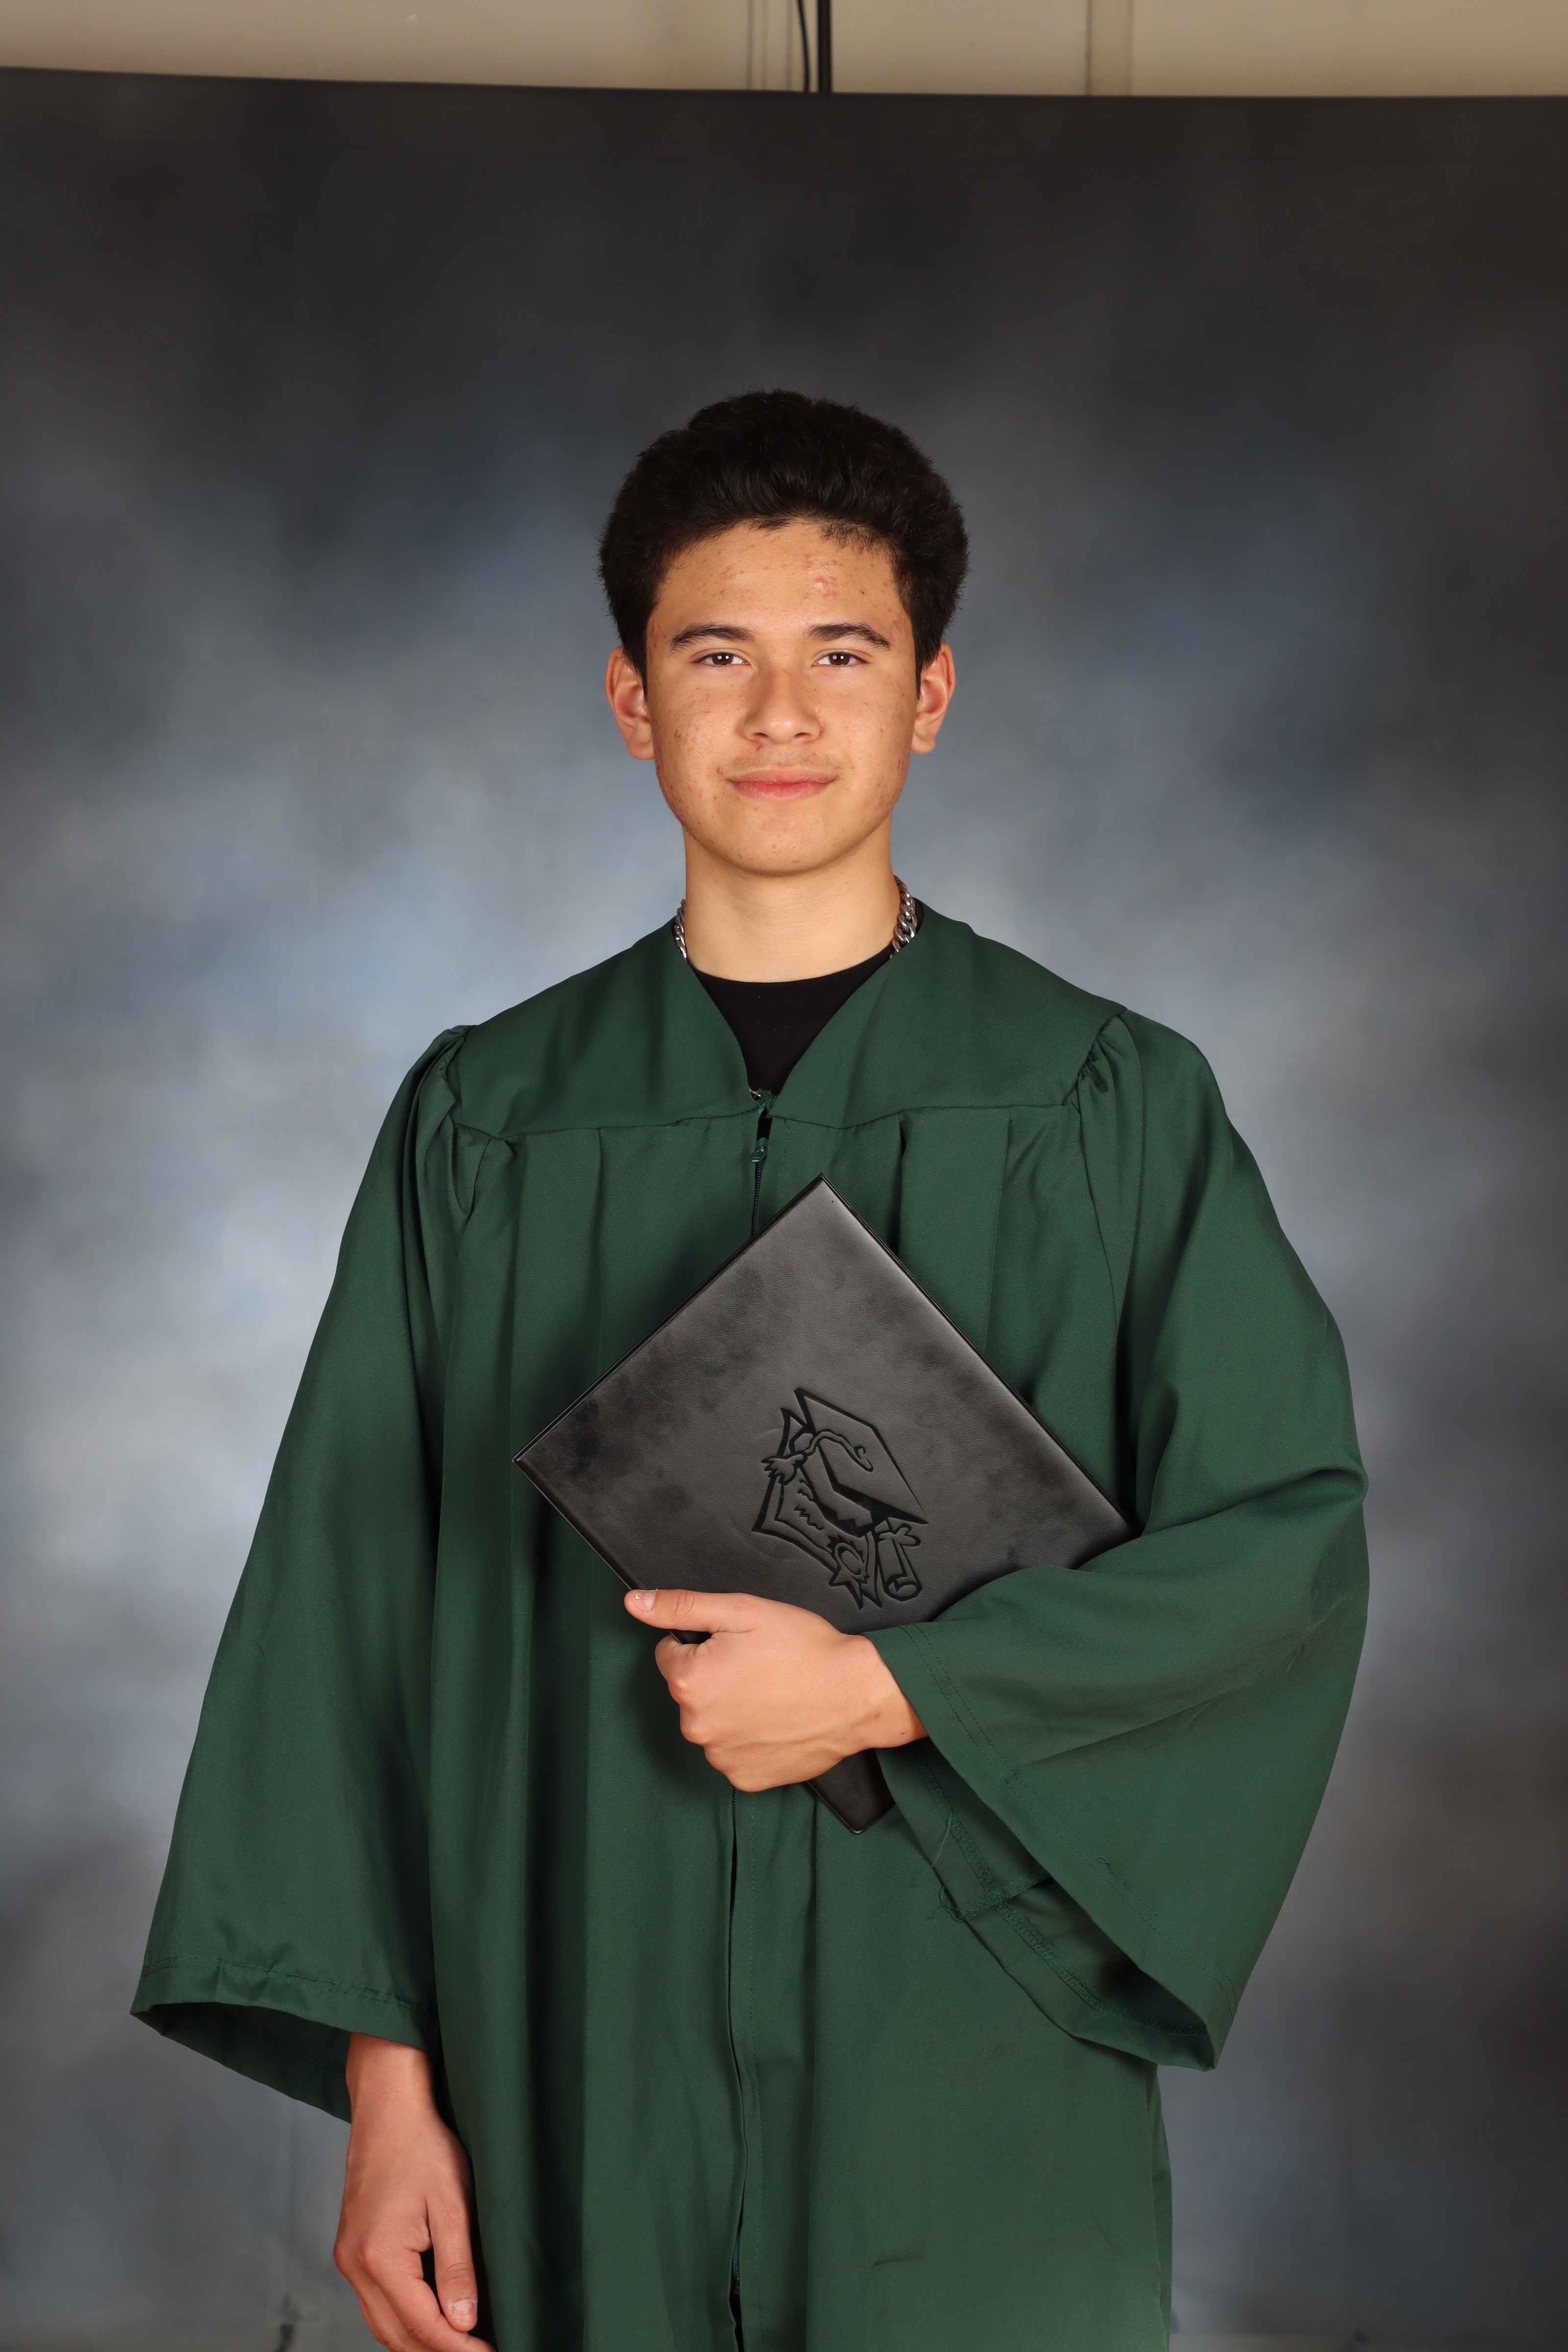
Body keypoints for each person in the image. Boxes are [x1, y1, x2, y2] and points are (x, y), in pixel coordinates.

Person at [134, 391, 1368, 2352]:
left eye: (841, 655)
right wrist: (387, 2093)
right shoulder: (486, 1119)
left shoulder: (1105, 1102)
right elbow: (347, 1616)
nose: (780, 715)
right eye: (716, 657)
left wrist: (896, 1684)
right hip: (569, 2036)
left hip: (961, 2030)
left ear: (930, 695)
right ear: (633, 700)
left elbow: (1277, 1553)